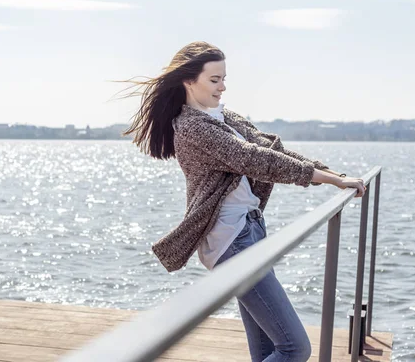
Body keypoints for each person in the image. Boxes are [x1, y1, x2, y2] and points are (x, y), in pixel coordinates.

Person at [120, 41, 367, 361]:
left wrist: (333, 174)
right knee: (295, 348)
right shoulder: (193, 127)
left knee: (267, 349)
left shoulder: (222, 116)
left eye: (224, 78)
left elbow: (269, 149)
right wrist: (331, 180)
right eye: (214, 80)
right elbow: (252, 159)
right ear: (188, 81)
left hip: (249, 232)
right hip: (230, 240)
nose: (223, 87)